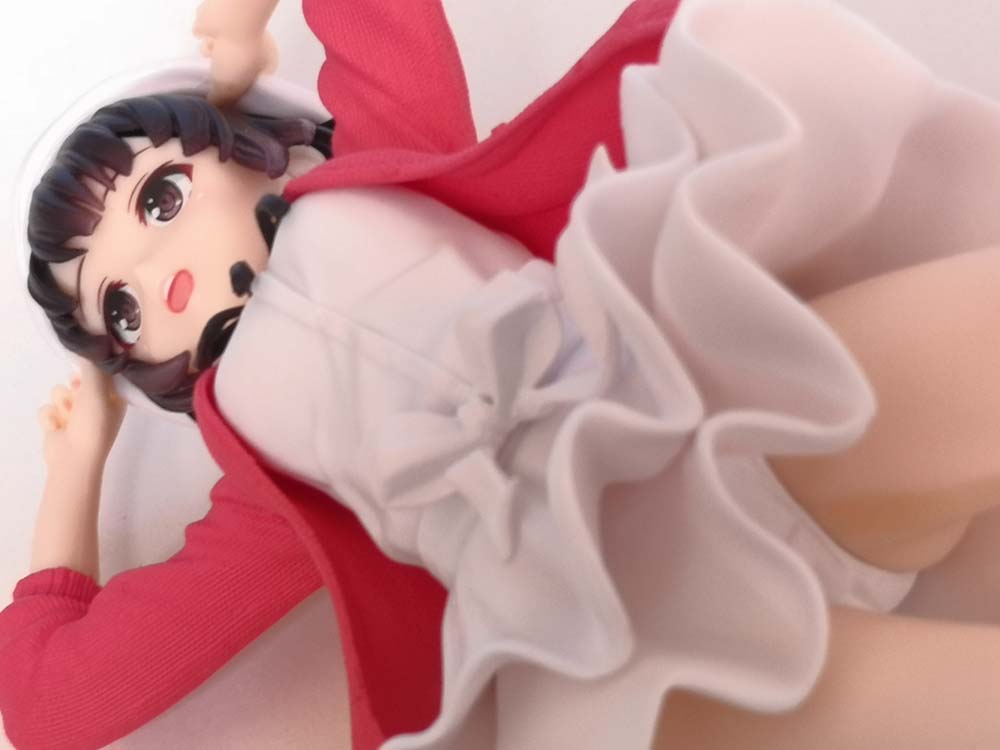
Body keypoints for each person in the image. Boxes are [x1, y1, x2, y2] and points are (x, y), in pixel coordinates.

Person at [9, 1, 1000, 749]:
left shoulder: (385, 166)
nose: (161, 275)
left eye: (161, 198)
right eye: (119, 307)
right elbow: (52, 706)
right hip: (615, 632)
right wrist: (77, 473)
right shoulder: (263, 487)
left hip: (724, 412)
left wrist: (244, 22)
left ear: (248, 149)